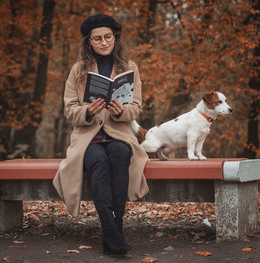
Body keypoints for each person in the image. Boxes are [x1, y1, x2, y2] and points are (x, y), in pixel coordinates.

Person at [53, 14, 149, 255]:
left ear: (115, 39)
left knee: (119, 155)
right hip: (88, 138)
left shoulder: (130, 67)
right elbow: (69, 110)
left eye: (108, 37)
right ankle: (111, 229)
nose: (104, 42)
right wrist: (87, 111)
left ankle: (113, 230)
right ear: (89, 43)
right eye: (98, 39)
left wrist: (121, 111)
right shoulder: (78, 70)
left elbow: (136, 106)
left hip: (119, 134)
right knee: (99, 161)